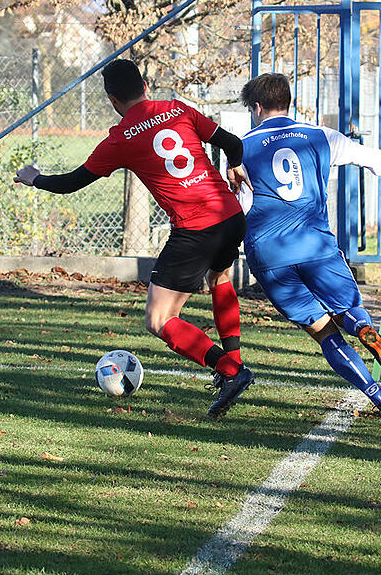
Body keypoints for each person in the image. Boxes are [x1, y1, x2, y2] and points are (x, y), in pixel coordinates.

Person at [15, 59, 254, 419]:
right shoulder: (177, 108)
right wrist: (235, 165)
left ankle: (231, 372)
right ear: (145, 85)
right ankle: (232, 368)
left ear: (112, 99)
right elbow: (232, 143)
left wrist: (35, 177)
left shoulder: (120, 138)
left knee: (159, 320)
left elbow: (70, 183)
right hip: (230, 215)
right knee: (219, 278)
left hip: (195, 228)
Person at [228, 73, 381, 418]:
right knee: (347, 309)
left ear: (256, 108)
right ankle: (363, 328)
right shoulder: (319, 136)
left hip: (269, 255)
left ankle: (380, 398)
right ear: (288, 102)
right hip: (316, 247)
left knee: (323, 331)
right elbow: (373, 160)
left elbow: (240, 205)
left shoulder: (241, 148)